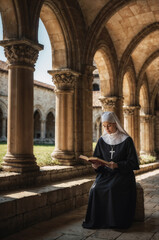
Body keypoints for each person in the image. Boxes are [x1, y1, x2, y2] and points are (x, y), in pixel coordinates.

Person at [82, 111, 140, 229]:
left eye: (109, 125)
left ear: (115, 124)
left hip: (122, 174)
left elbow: (133, 163)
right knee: (95, 189)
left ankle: (114, 222)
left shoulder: (126, 140)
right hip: (105, 174)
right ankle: (99, 220)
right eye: (104, 126)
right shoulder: (102, 140)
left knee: (111, 189)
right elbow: (97, 157)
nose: (106, 128)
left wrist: (117, 165)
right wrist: (96, 166)